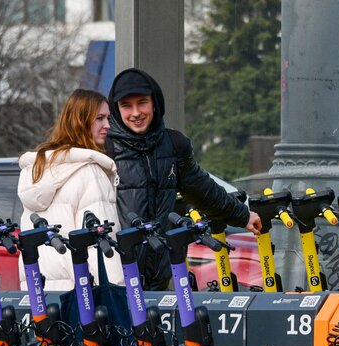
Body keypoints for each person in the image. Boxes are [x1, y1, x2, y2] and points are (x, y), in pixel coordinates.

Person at [16, 88, 139, 346]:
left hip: (49, 291)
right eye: (100, 118)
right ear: (81, 120)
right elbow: (104, 242)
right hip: (89, 287)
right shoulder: (92, 170)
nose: (107, 125)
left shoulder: (38, 168)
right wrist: (121, 292)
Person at [106, 68, 261, 290]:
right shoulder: (105, 149)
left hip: (162, 269)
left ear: (155, 103)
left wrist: (242, 214)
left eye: (142, 103)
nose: (136, 112)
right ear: (116, 109)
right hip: (119, 274)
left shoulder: (174, 144)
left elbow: (202, 188)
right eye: (126, 106)